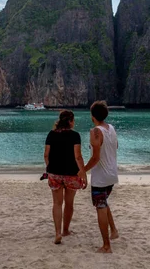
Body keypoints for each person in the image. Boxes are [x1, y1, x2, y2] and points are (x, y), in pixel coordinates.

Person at [80, 101, 119, 253]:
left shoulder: (95, 131)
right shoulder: (112, 128)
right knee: (104, 202)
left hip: (101, 178)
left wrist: (83, 170)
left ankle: (106, 245)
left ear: (92, 116)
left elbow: (95, 158)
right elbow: (115, 147)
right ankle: (114, 231)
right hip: (112, 175)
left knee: (100, 207)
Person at [44, 110, 86, 245]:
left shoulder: (51, 134)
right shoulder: (75, 135)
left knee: (57, 203)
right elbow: (78, 156)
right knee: (69, 203)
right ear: (70, 121)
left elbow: (46, 155)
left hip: (54, 173)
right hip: (71, 174)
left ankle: (57, 233)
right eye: (73, 120)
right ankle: (65, 230)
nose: (74, 123)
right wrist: (83, 172)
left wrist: (50, 168)